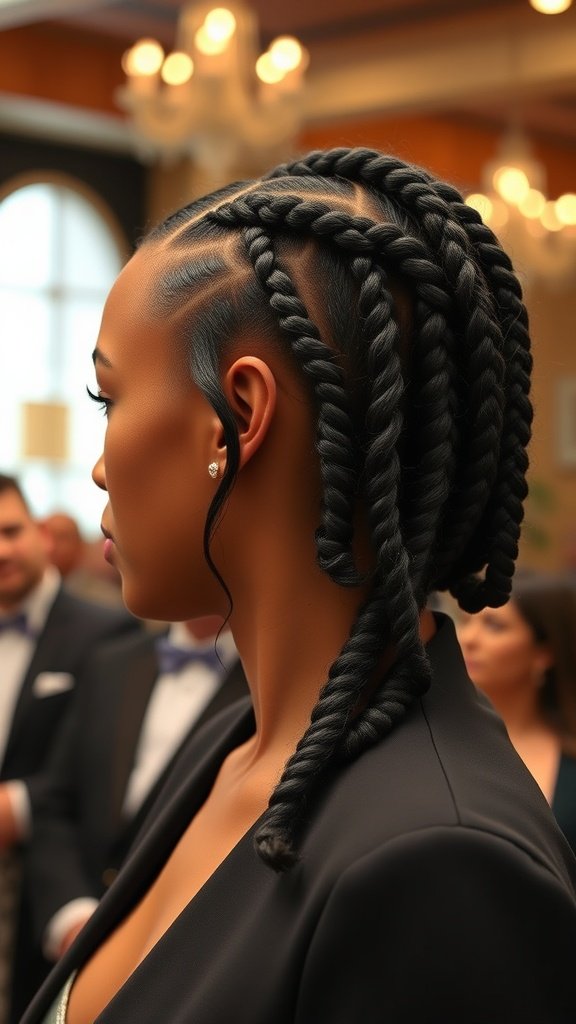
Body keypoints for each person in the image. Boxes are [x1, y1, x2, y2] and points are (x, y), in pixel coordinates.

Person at [22, 147, 576, 1024]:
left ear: (238, 416)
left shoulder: (441, 861)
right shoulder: (238, 741)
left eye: (107, 399)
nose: (95, 467)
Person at [20, 616, 248, 1012]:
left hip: (178, 968)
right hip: (65, 953)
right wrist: (73, 916)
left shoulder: (266, 683)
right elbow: (56, 802)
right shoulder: (110, 662)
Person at [0, 474, 141, 1023]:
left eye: (11, 531)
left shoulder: (110, 633)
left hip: (46, 885)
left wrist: (20, 806)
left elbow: (102, 765)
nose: (2, 550)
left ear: (39, 532)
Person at [457, 570, 576, 853]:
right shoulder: (429, 738)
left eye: (494, 626)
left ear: (544, 652)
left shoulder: (570, 762)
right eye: (465, 621)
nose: (468, 638)